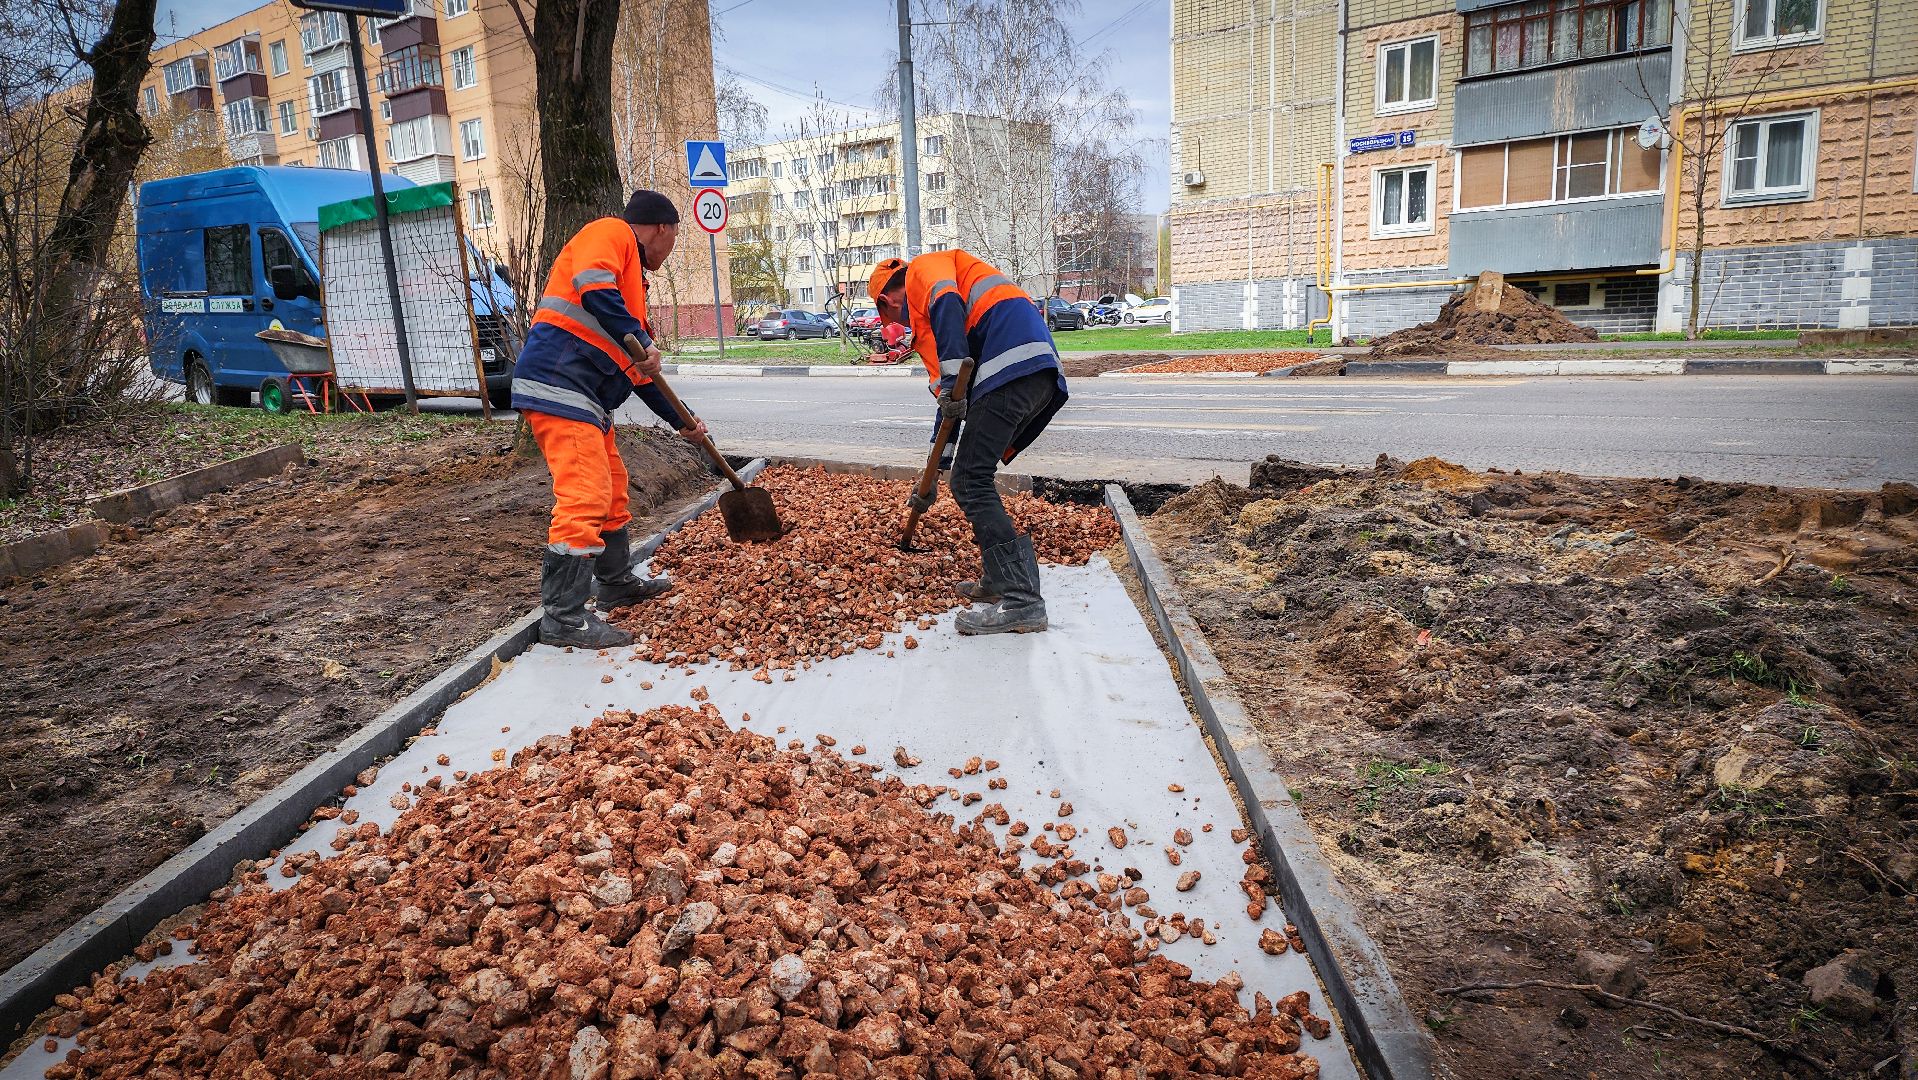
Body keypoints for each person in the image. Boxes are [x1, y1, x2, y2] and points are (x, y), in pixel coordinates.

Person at [511, 190, 708, 648]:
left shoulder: (630, 294)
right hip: (560, 384)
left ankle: (616, 582)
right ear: (662, 228)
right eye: (676, 236)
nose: (672, 246)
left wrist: (685, 423)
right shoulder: (611, 232)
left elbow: (640, 374)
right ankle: (563, 617)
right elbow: (593, 282)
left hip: (589, 399)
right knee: (585, 495)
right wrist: (636, 335)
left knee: (613, 490)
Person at [868, 250, 1068, 635]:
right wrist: (931, 473)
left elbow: (946, 308)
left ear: (888, 299)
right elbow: (949, 405)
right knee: (966, 474)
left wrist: (953, 374)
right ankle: (998, 580)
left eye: (891, 316)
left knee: (970, 479)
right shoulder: (936, 333)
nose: (900, 324)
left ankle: (1022, 600)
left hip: (1011, 366)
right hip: (1030, 370)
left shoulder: (925, 274)